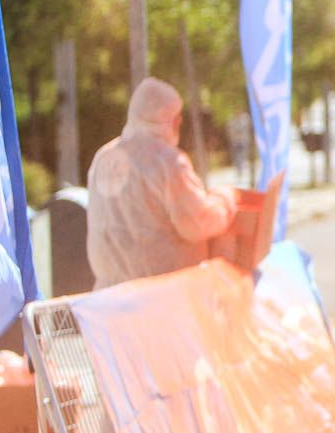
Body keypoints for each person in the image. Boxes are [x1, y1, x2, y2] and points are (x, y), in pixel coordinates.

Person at [86, 77, 238, 289]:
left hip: (110, 299)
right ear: (171, 119)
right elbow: (197, 223)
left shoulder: (104, 157)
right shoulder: (167, 161)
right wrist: (225, 200)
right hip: (160, 297)